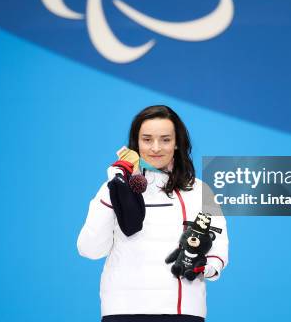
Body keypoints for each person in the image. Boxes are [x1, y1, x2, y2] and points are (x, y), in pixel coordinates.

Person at [77, 105, 229, 322]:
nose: (156, 148)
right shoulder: (113, 187)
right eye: (147, 139)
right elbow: (90, 249)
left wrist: (208, 268)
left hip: (183, 311)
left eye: (165, 139)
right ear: (136, 143)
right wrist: (115, 187)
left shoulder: (201, 190)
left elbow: (218, 241)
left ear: (177, 143)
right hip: (123, 310)